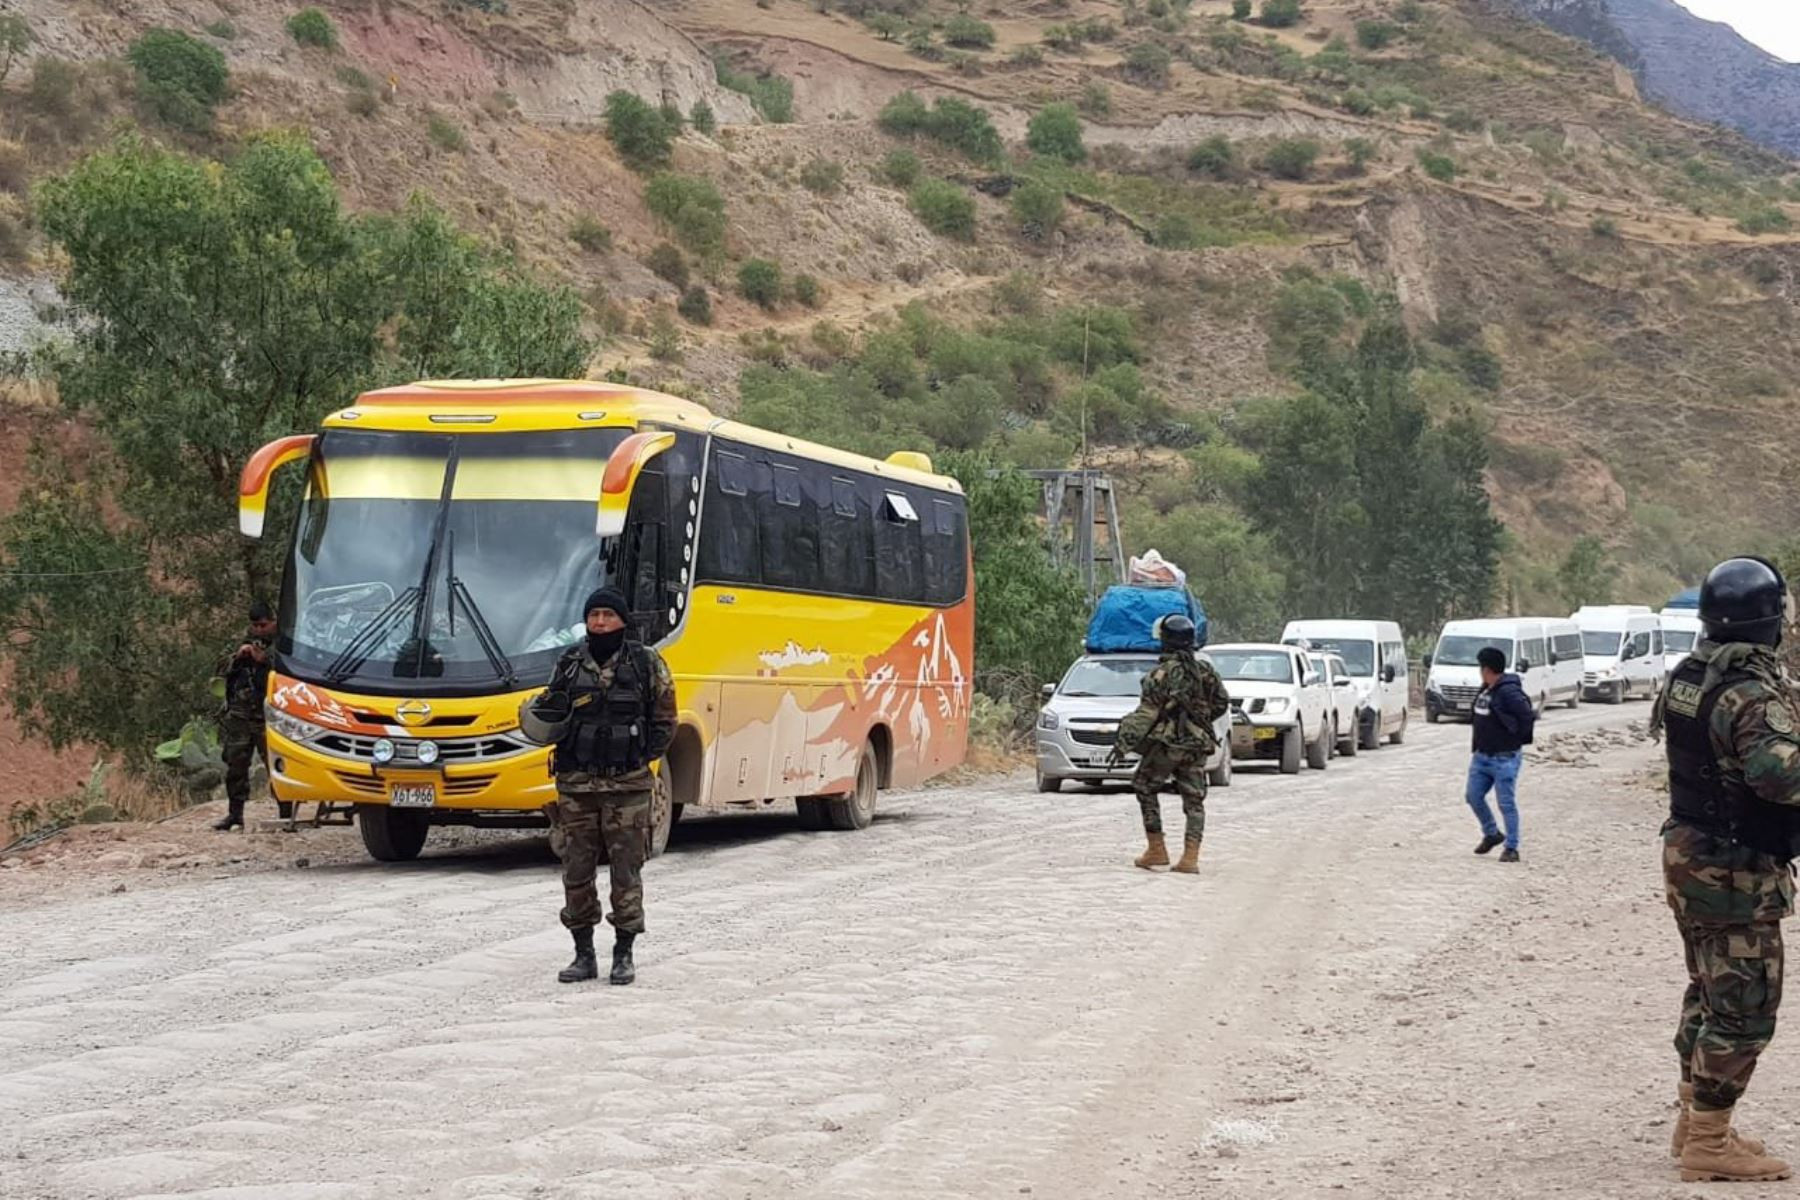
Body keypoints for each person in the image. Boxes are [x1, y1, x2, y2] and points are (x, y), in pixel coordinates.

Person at [1653, 556, 1800, 1183]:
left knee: (1709, 992)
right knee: (1744, 1006)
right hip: (1732, 870)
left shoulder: (1691, 674)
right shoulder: (1749, 691)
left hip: (1692, 855)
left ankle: (1695, 1122)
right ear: (1768, 622)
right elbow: (1774, 774)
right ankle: (1709, 1144)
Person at [524, 587, 676, 987]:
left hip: (628, 786)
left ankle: (623, 954)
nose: (601, 622)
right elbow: (550, 713)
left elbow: (666, 720)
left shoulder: (646, 662)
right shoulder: (570, 662)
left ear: (623, 621)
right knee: (576, 871)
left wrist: (638, 757)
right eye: (594, 615)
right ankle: (583, 954)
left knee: (627, 871)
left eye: (609, 615)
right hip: (576, 785)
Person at [1111, 614, 1230, 874]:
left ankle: (1156, 849)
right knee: (1194, 799)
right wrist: (1199, 721)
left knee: (1144, 784)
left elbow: (1147, 714)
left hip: (1167, 745)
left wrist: (1123, 742)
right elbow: (1222, 702)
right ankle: (1190, 858)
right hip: (1197, 744)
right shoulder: (1205, 671)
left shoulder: (1159, 674)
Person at [212, 601, 280, 832]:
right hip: (240, 716)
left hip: (269, 716)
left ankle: (286, 813)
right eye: (255, 626)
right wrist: (238, 656)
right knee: (236, 766)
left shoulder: (283, 644)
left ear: (273, 622)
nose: (259, 630)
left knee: (276, 766)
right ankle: (235, 814)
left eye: (263, 625)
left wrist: (264, 659)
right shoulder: (243, 642)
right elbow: (219, 669)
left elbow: (289, 672)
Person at [1464, 645, 1534, 863]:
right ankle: (1492, 833)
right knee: (1473, 796)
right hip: (1482, 757)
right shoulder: (1486, 688)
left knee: (1506, 803)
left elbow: (1527, 716)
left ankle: (1511, 847)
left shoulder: (1508, 691)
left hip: (1504, 758)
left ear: (1487, 669)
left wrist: (1516, 740)